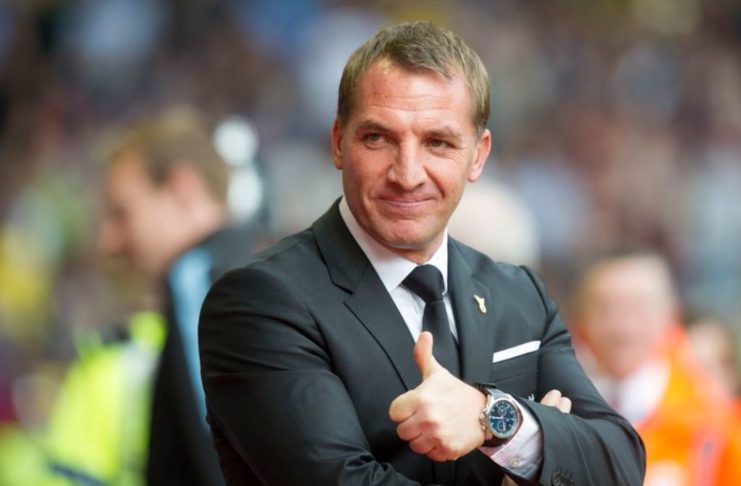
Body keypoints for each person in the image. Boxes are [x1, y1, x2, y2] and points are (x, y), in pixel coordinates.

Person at [199, 21, 645, 485]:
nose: (407, 174)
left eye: (438, 142)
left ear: (478, 155)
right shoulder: (261, 300)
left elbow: (619, 466)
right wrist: (541, 446)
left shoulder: (519, 295)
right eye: (378, 138)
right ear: (338, 142)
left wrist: (496, 420)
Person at [99, 107, 259, 486]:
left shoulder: (197, 277)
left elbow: (226, 459)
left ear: (183, 190)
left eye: (122, 213)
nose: (108, 240)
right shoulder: (264, 263)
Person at [571, 247, 741, 486]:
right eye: (604, 308)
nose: (622, 327)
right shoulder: (557, 410)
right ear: (580, 318)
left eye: (638, 307)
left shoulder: (712, 419)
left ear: (671, 314)